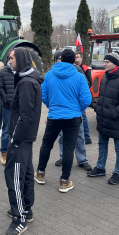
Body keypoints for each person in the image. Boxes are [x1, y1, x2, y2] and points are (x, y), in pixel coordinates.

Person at [34, 49, 92, 193]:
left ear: (59, 59)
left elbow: (44, 95)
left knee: (46, 145)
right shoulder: (79, 77)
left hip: (54, 116)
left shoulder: (49, 75)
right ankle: (64, 181)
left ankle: (40, 173)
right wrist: (77, 108)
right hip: (73, 118)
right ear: (73, 60)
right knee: (68, 148)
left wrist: (52, 106)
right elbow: (86, 99)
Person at [4, 48, 44, 235]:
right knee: (26, 174)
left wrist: (15, 139)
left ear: (20, 59)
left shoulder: (27, 82)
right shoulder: (28, 79)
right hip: (26, 139)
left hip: (21, 139)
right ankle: (26, 210)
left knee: (15, 178)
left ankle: (19, 218)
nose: (9, 61)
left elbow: (25, 116)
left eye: (11, 58)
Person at [87, 52, 119, 185]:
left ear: (115, 64)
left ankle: (118, 173)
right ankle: (100, 167)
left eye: (107, 62)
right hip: (103, 119)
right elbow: (102, 96)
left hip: (117, 120)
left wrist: (114, 113)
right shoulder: (105, 77)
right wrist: (97, 107)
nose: (104, 64)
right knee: (102, 144)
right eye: (104, 61)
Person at [54, 51, 93, 168]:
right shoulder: (53, 72)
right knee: (62, 136)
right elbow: (46, 92)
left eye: (62, 58)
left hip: (75, 110)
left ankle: (82, 160)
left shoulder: (77, 70)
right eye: (58, 58)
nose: (60, 60)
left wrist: (80, 107)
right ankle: (63, 157)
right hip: (60, 110)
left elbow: (85, 88)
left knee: (79, 135)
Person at [0, 56, 16, 166]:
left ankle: (14, 152)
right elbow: (0, 87)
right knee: (6, 131)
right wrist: (7, 100)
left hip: (19, 107)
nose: (11, 61)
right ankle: (4, 152)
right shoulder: (3, 72)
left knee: (17, 131)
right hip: (7, 106)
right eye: (11, 58)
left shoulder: (21, 71)